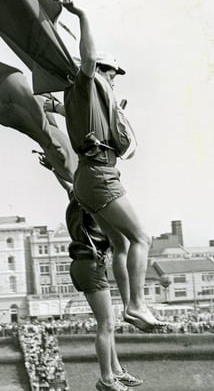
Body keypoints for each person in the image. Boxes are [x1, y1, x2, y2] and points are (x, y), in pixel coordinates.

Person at [59, 0, 165, 332]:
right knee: (142, 238)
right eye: (112, 75)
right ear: (100, 72)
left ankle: (132, 306)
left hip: (89, 179)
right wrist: (83, 15)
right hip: (100, 174)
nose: (114, 82)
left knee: (120, 243)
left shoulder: (80, 102)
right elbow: (88, 58)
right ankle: (135, 304)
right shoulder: (86, 85)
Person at [36, 151, 143, 391]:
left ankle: (115, 371)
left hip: (84, 264)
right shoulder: (96, 205)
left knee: (108, 322)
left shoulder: (80, 199)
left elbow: (69, 186)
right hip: (91, 263)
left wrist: (54, 167)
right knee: (106, 324)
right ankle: (106, 378)